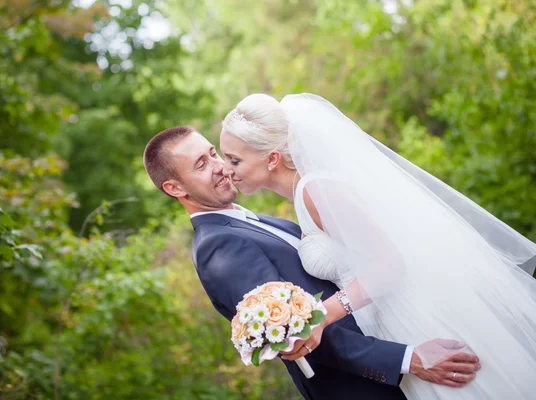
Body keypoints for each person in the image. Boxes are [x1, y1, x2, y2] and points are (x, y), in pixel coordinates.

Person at [219, 92, 536, 399]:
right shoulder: (306, 192)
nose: (226, 170)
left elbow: (388, 264)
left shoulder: (314, 189)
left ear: (272, 158)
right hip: (387, 319)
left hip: (413, 314)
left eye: (234, 160)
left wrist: (319, 316)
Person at [143, 126, 480, 400]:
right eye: (201, 164)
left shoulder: (255, 221)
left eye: (213, 153)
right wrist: (408, 360)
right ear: (174, 187)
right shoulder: (218, 247)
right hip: (364, 387)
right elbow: (296, 337)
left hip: (394, 338)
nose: (219, 166)